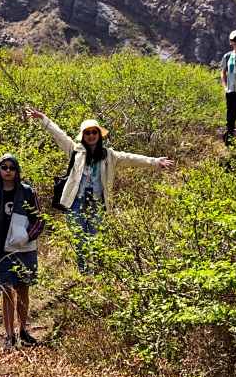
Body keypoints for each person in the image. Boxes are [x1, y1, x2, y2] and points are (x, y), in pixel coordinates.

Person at [24, 109, 173, 273]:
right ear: (83, 135)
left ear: (99, 134)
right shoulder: (75, 151)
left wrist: (155, 162)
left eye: (94, 132)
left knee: (98, 241)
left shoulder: (109, 155)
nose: (91, 135)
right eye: (87, 132)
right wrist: (44, 119)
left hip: (96, 204)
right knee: (80, 241)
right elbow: (60, 135)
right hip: (76, 203)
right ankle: (84, 275)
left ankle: (99, 275)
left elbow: (131, 158)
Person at [0, 154, 44, 351]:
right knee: (7, 293)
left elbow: (39, 220)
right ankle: (9, 336)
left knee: (23, 290)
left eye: (11, 167)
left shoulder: (27, 192)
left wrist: (26, 236)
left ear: (17, 170)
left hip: (25, 250)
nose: (8, 170)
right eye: (4, 167)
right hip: (3, 252)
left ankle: (23, 330)